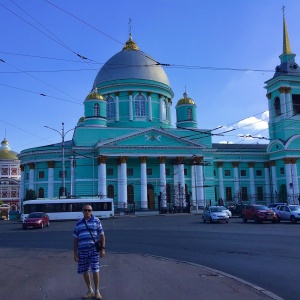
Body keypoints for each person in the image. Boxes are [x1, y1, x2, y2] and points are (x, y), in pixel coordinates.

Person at [73, 205, 106, 299]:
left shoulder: (96, 221)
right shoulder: (78, 223)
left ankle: (97, 291)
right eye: (85, 210)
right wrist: (75, 253)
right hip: (82, 251)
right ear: (82, 211)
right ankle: (90, 290)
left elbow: (102, 236)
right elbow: (75, 239)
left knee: (95, 270)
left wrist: (102, 249)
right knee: (85, 271)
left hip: (93, 250)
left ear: (91, 211)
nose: (87, 212)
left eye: (89, 210)